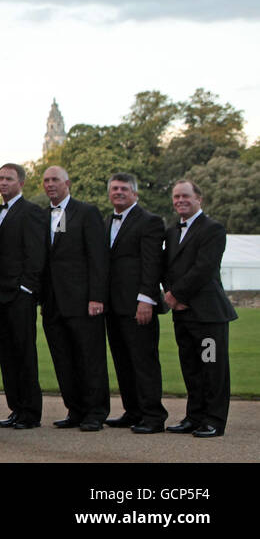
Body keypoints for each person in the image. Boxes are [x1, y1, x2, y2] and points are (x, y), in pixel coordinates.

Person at [163, 180, 235, 438]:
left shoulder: (213, 229)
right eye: (176, 197)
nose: (180, 200)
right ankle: (194, 417)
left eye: (185, 196)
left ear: (199, 199)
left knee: (211, 366)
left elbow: (204, 268)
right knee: (191, 367)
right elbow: (167, 268)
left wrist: (176, 294)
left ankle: (214, 420)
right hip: (183, 315)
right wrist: (172, 295)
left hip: (207, 314)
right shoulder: (172, 232)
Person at [41, 166, 110, 431]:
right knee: (63, 359)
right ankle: (76, 409)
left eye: (55, 180)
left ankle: (96, 411)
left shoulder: (87, 212)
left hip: (83, 301)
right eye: (46, 180)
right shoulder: (42, 215)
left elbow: (98, 258)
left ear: (67, 183)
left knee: (89, 358)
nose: (50, 184)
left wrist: (96, 297)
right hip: (52, 302)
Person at [104, 173, 169, 434]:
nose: (118, 192)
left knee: (144, 361)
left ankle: (153, 415)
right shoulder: (107, 220)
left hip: (138, 304)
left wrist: (146, 300)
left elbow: (152, 264)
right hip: (113, 304)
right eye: (114, 189)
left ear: (135, 194)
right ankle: (133, 411)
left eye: (123, 189)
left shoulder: (150, 221)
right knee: (123, 360)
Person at [0, 163, 46, 429]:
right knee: (7, 355)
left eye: (9, 179)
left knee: (24, 353)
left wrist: (26, 288)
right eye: (0, 178)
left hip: (19, 295)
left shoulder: (31, 212)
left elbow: (35, 255)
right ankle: (16, 407)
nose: (3, 183)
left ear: (21, 183)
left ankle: (30, 411)